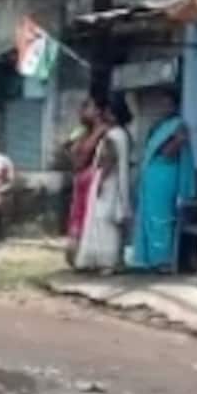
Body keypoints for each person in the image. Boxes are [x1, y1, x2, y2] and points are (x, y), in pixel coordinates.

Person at [130, 86, 195, 272]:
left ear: (175, 105)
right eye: (161, 103)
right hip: (151, 177)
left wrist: (172, 143)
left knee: (162, 217)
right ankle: (146, 259)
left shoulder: (178, 125)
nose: (163, 107)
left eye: (167, 103)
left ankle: (162, 259)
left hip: (166, 176)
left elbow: (170, 152)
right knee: (147, 216)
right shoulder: (158, 126)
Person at [73, 95, 133, 272]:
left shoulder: (112, 135)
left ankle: (105, 261)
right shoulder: (124, 134)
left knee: (102, 221)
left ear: (113, 114)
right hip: (116, 183)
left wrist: (101, 181)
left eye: (107, 111)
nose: (104, 114)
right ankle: (113, 260)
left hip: (107, 182)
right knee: (110, 221)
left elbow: (109, 159)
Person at [63, 94, 103, 264]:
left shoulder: (102, 131)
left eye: (87, 108)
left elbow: (88, 152)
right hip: (79, 177)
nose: (81, 112)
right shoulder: (81, 131)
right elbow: (70, 150)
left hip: (93, 178)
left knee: (88, 217)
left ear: (98, 111)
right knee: (76, 215)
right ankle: (75, 251)